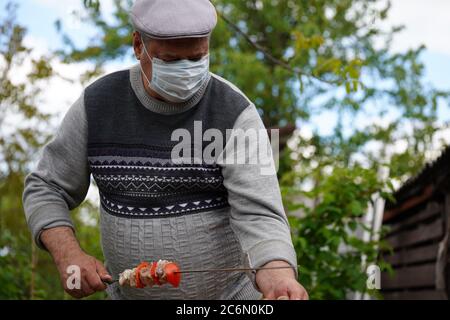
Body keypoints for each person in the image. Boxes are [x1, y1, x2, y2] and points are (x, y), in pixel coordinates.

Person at [22, 0, 308, 300]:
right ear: (138, 45)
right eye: (171, 60)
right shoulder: (97, 105)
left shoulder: (236, 113)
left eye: (197, 58)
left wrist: (278, 274)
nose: (186, 72)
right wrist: (67, 255)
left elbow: (261, 212)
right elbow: (46, 187)